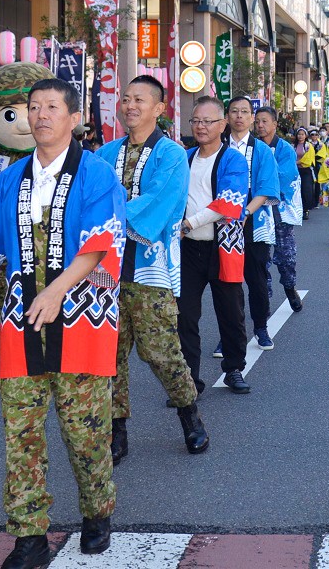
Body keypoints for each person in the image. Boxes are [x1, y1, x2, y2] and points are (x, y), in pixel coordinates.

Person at [0, 78, 126, 567]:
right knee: (21, 435)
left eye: (52, 107)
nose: (40, 115)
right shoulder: (10, 178)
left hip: (82, 323)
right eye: (33, 107)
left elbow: (100, 245)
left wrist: (56, 290)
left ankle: (97, 513)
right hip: (21, 326)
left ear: (74, 118)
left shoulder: (96, 175)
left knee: (86, 432)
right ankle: (29, 534)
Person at [97, 76, 208, 462]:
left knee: (162, 352)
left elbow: (160, 201)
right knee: (108, 356)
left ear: (159, 108)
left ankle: (189, 416)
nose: (129, 105)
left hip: (149, 269)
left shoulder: (172, 154)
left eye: (139, 99)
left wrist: (104, 223)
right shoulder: (106, 153)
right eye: (125, 98)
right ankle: (117, 430)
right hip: (102, 271)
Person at [177, 97, 251, 394]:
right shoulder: (185, 157)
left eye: (209, 121)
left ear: (223, 124)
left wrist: (189, 223)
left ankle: (234, 368)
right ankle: (189, 379)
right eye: (196, 121)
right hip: (188, 249)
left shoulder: (233, 159)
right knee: (185, 315)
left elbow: (230, 202)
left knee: (230, 311)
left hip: (222, 247)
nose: (201, 127)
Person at [221, 97, 279, 352]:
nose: (239, 116)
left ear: (252, 117)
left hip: (252, 221)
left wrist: (245, 211)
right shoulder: (216, 146)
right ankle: (230, 334)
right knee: (226, 282)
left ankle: (261, 327)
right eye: (234, 111)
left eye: (245, 112)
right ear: (227, 116)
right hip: (221, 221)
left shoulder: (262, 150)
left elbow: (267, 188)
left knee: (256, 279)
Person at [256, 106, 304, 313]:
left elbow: (287, 175)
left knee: (286, 258)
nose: (260, 125)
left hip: (279, 212)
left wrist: (263, 179)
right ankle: (264, 300)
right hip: (257, 212)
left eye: (265, 121)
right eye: (257, 121)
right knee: (260, 260)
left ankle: (290, 287)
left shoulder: (284, 148)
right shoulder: (252, 147)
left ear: (275, 124)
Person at [295, 127, 317, 216]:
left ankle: (305, 209)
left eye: (302, 134)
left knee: (306, 190)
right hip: (295, 170)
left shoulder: (308, 145)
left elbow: (308, 158)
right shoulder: (293, 145)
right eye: (299, 134)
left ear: (305, 136)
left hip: (306, 170)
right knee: (297, 190)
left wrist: (297, 162)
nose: (300, 136)